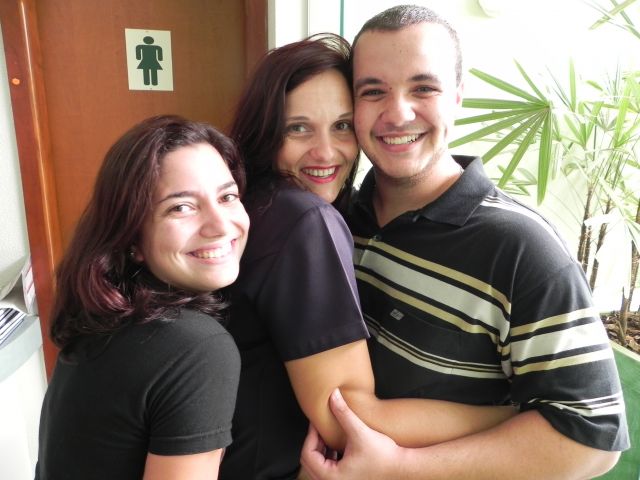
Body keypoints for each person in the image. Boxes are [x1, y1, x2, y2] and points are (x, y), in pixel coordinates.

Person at [301, 5, 630, 480]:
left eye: (423, 88)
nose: (398, 113)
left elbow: (592, 439)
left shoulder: (521, 250)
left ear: (457, 95)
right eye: (373, 91)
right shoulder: (338, 218)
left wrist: (400, 468)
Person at [219, 34, 515, 480]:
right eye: (298, 128)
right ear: (266, 131)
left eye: (341, 126)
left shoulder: (249, 202)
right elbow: (348, 422)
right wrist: (513, 414)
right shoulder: (305, 220)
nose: (325, 152)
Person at [35, 115, 249, 480]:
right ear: (132, 239)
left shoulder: (105, 318)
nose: (220, 225)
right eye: (181, 207)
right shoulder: (197, 347)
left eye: (227, 197)